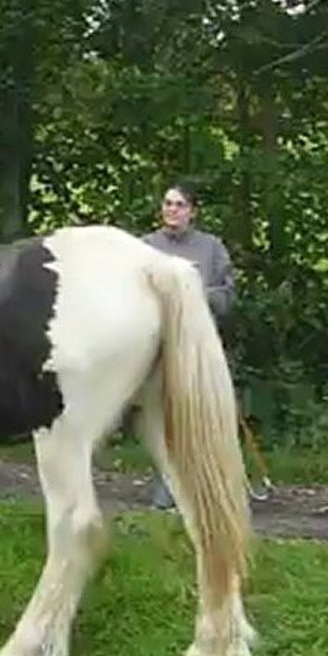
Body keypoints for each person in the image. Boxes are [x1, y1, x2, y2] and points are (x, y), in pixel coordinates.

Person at [142, 182, 237, 509]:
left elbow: (227, 298)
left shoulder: (211, 248)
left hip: (199, 348)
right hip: (156, 349)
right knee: (164, 417)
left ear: (192, 211)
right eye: (168, 203)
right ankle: (166, 488)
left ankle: (210, 490)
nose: (172, 210)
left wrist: (192, 293)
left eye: (179, 205)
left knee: (202, 421)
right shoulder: (145, 247)